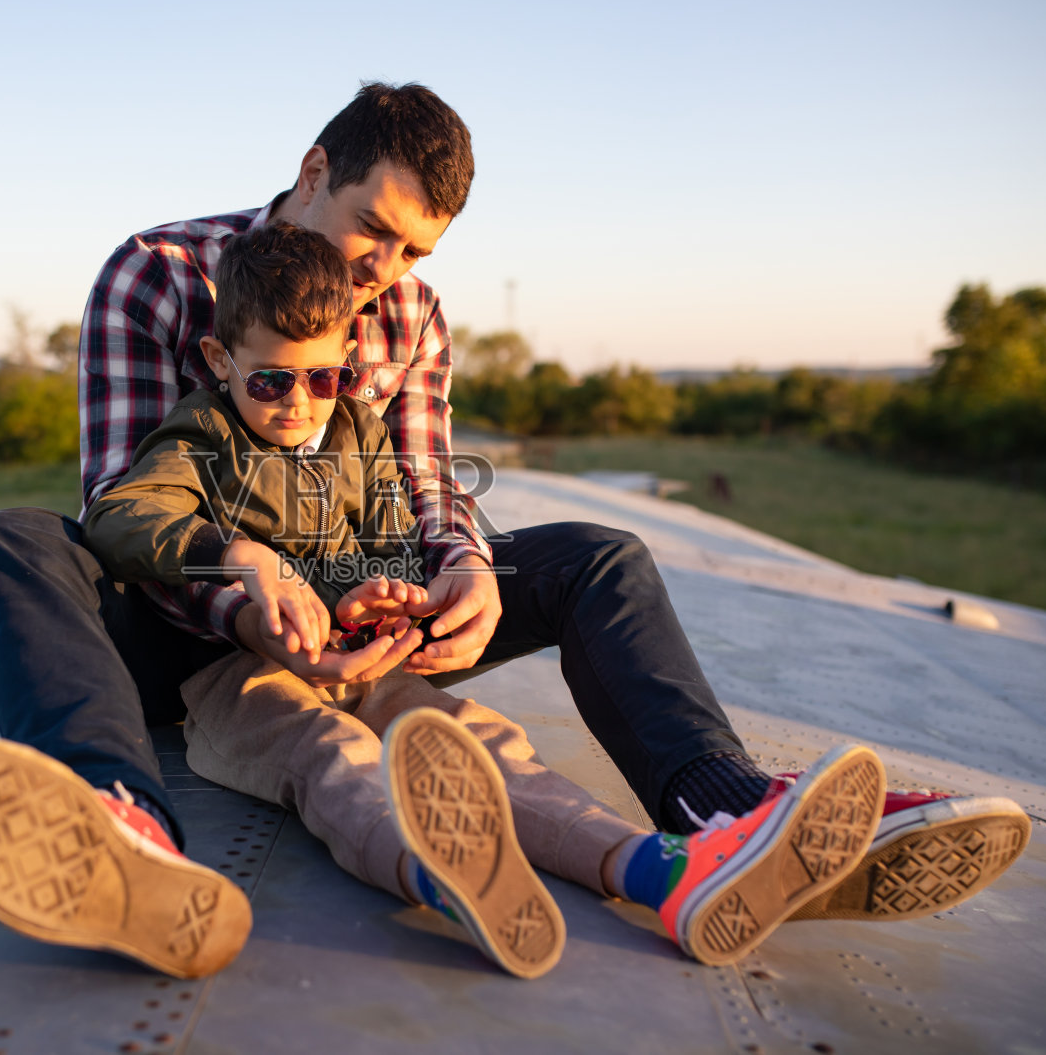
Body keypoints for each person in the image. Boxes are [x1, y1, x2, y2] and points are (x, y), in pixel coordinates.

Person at [0, 81, 1030, 980]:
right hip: (191, 634)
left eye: (411, 255)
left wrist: (458, 573)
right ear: (313, 171)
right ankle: (118, 818)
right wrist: (249, 586)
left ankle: (727, 817)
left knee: (598, 555)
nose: (383, 273)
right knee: (13, 535)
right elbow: (121, 509)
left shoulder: (407, 312)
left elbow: (427, 488)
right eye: (371, 232)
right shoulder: (160, 276)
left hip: (356, 610)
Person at [78, 220, 901, 977]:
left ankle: (660, 872)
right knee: (332, 759)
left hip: (362, 659)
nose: (299, 402)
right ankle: (442, 871)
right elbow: (122, 514)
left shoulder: (357, 432)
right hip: (241, 671)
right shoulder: (201, 436)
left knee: (481, 743)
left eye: (324, 376)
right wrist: (242, 556)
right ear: (222, 363)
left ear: (347, 362)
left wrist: (384, 588)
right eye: (271, 380)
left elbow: (394, 531)